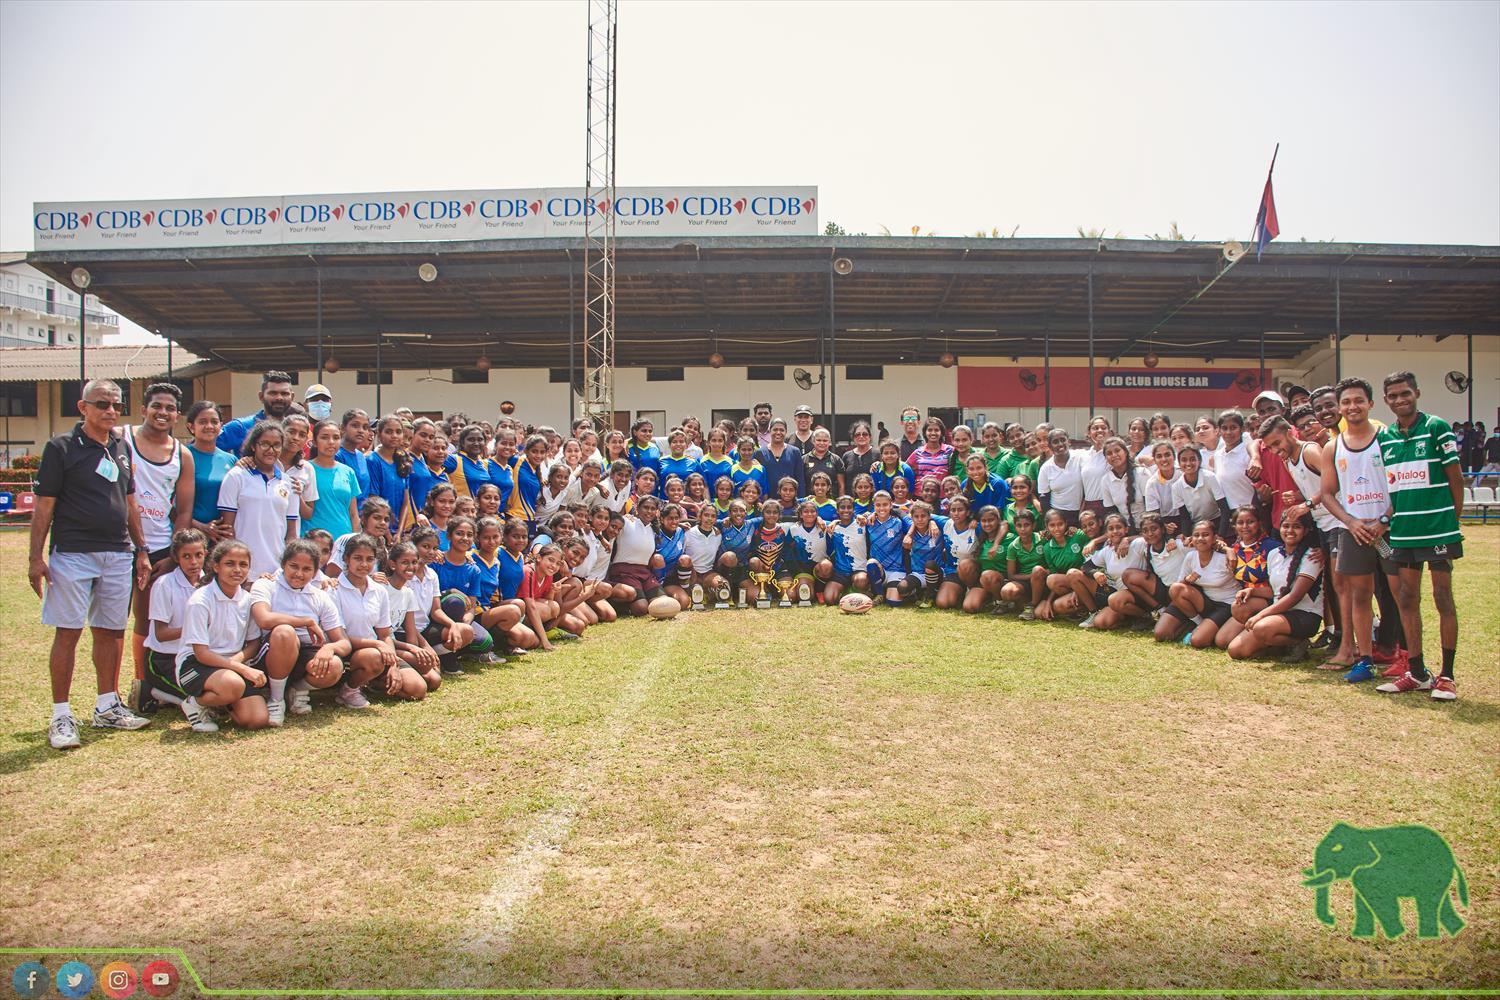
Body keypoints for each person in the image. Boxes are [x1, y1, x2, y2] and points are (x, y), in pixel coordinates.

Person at [30, 378, 153, 748]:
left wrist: (142, 549)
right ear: (83, 408)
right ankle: (61, 714)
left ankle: (107, 705)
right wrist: (35, 557)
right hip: (73, 553)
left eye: (116, 404)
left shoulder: (120, 446)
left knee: (111, 630)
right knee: (69, 631)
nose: (111, 411)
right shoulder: (61, 447)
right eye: (102, 404)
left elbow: (130, 502)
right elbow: (44, 506)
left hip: (117, 553)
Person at [1374, 372, 1464, 701]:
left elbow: (1456, 479)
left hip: (1438, 530)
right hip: (1404, 534)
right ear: (1386, 401)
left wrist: (1452, 519)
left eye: (1405, 393)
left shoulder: (1437, 427)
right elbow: (1392, 488)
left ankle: (1448, 676)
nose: (1400, 400)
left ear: (1417, 393)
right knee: (1408, 601)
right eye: (1394, 395)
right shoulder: (1386, 438)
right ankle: (1417, 672)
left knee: (1443, 599)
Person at [1318, 377, 1397, 682]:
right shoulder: (1332, 447)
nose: (1353, 407)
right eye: (1347, 402)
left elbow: (1401, 485)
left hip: (1388, 531)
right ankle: (1365, 659)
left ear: (1371, 404)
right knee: (1359, 596)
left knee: (1401, 594)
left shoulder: (1387, 438)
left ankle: (1405, 658)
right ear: (1340, 407)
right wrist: (1351, 523)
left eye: (1359, 401)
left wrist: (1384, 521)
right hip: (1353, 532)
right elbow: (1327, 494)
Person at [123, 382, 195, 704]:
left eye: (169, 408)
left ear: (177, 415)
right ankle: (109, 695)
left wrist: (172, 557)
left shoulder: (182, 454)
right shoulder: (121, 439)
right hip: (116, 544)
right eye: (157, 406)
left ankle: (144, 687)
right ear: (143, 409)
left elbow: (184, 511)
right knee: (109, 623)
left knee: (146, 618)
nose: (162, 412)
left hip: (158, 549)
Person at [248, 538, 349, 724]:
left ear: (316, 571)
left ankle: (297, 689)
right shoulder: (266, 585)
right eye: (293, 566)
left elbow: (343, 642)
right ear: (283, 564)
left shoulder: (320, 596)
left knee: (335, 666)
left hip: (305, 652)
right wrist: (306, 621)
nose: (299, 574)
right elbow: (263, 619)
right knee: (285, 632)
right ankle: (276, 699)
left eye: (307, 569)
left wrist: (330, 649)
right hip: (270, 653)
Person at [174, 539, 270, 731]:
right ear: (215, 566)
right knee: (233, 684)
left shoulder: (247, 599)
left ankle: (220, 703)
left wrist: (236, 662)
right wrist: (241, 670)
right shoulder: (200, 600)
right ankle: (195, 703)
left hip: (230, 666)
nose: (237, 570)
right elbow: (201, 653)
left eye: (243, 565)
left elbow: (252, 642)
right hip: (195, 665)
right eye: (230, 564)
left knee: (256, 720)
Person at [141, 528, 217, 731]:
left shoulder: (210, 582)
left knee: (221, 696)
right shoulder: (164, 585)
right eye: (186, 556)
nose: (193, 562)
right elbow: (161, 634)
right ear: (176, 557)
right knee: (204, 698)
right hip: (163, 659)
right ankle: (154, 690)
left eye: (198, 555)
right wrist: (195, 628)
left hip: (195, 657)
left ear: (206, 554)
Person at [217, 421, 299, 580]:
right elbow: (227, 530)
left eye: (276, 445)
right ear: (254, 446)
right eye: (265, 444)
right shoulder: (236, 477)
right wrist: (240, 570)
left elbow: (291, 534)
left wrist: (284, 570)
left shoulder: (289, 483)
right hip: (244, 571)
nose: (271, 450)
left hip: (276, 572)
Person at [184, 401, 237, 545]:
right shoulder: (182, 455)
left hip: (222, 539)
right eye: (202, 422)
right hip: (191, 538)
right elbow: (172, 506)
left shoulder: (231, 460)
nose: (209, 426)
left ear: (221, 426)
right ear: (191, 427)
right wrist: (202, 527)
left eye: (214, 422)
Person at [304, 419, 362, 539]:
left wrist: (356, 540)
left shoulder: (348, 472)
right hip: (313, 542)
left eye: (336, 438)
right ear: (314, 441)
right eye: (324, 437)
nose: (331, 442)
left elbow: (353, 514)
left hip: (343, 541)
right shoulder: (304, 469)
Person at [216, 370, 295, 455]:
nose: (279, 398)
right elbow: (205, 450)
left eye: (284, 393)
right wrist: (234, 463)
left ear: (292, 397)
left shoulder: (295, 431)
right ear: (261, 396)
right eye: (273, 393)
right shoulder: (240, 427)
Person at [754, 418, 804, 498]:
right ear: (770, 431)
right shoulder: (759, 453)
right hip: (767, 501)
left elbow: (800, 479)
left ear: (786, 432)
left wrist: (800, 500)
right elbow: (757, 479)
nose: (778, 432)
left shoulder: (795, 452)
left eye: (782, 430)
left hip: (790, 501)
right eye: (775, 430)